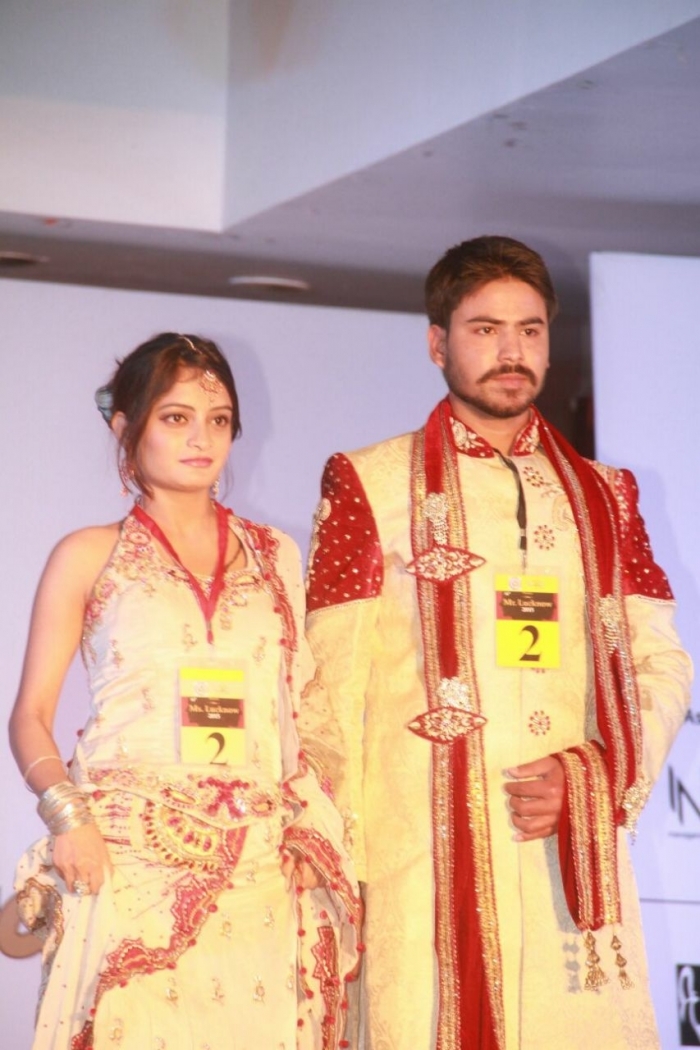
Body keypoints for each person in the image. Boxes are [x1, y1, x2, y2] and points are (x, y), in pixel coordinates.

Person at [300, 237, 692, 1050]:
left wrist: (597, 775)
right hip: (419, 866)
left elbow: (660, 662)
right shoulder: (368, 482)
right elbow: (325, 695)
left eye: (530, 330)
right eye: (485, 329)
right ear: (437, 342)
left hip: (564, 852)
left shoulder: (608, 497)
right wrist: (338, 865)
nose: (512, 352)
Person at [10, 332, 360, 1050]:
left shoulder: (275, 554)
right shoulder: (89, 554)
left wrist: (313, 830)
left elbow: (303, 711)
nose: (202, 438)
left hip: (262, 869)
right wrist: (68, 819)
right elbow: (30, 718)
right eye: (176, 418)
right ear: (126, 427)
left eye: (219, 419)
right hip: (128, 862)